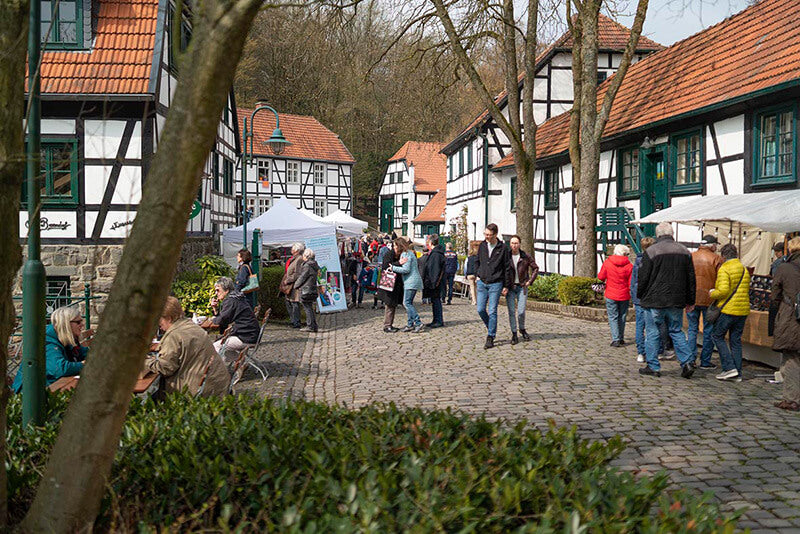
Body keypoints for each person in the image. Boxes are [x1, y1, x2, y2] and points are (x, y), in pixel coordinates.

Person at [637, 222, 697, 378]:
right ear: (672, 234)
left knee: (652, 332)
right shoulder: (684, 251)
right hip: (676, 300)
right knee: (676, 331)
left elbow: (643, 277)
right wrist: (691, 300)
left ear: (658, 235)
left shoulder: (651, 251)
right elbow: (691, 278)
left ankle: (653, 366)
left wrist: (640, 295)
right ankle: (687, 362)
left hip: (654, 300)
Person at [145, 296, 229, 398]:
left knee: (151, 399)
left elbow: (166, 368)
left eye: (159, 319)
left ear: (169, 318)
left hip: (196, 392)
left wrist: (144, 362)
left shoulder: (174, 335)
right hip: (214, 385)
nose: (158, 323)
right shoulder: (191, 325)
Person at [11, 306, 88, 392]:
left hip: (52, 385)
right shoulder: (47, 342)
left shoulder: (67, 338)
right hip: (31, 394)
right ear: (66, 323)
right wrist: (84, 364)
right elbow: (59, 369)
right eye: (78, 322)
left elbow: (84, 353)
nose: (82, 324)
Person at [711, 243, 751, 382]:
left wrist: (712, 293)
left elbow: (723, 291)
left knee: (717, 336)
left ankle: (729, 368)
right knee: (735, 341)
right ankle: (737, 373)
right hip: (743, 310)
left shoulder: (725, 268)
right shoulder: (744, 269)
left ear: (723, 256)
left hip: (728, 309)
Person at [772, 237, 800, 411]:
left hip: (792, 318)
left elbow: (774, 294)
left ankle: (791, 399)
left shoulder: (785, 267)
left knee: (791, 359)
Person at [687, 235, 723, 369]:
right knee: (709, 331)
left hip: (692, 298)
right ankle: (705, 361)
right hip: (710, 299)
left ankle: (691, 359)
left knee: (692, 330)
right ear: (711, 245)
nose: (716, 247)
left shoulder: (691, 256)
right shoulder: (716, 259)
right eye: (715, 245)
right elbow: (721, 280)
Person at [476, 223, 512, 349]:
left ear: (495, 235)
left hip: (496, 283)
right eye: (485, 234)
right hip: (482, 282)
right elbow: (477, 260)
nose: (487, 237)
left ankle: (490, 336)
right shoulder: (482, 245)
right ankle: (491, 326)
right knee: (480, 309)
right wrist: (477, 274)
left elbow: (507, 267)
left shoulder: (503, 248)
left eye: (490, 235)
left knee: (492, 311)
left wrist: (506, 285)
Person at [211, 277, 260, 360]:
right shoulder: (237, 297)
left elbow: (221, 321)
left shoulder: (231, 301)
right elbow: (224, 319)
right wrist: (215, 309)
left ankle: (223, 369)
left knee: (215, 346)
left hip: (246, 336)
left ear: (226, 290)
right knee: (220, 343)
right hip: (250, 333)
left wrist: (212, 319)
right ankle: (240, 361)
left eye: (218, 290)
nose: (216, 293)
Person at [631, 237, 661, 363]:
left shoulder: (637, 261)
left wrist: (634, 297)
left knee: (640, 325)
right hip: (651, 297)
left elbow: (634, 282)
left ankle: (641, 352)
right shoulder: (656, 260)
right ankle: (654, 351)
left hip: (639, 297)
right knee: (654, 325)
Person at [598, 244, 633, 347]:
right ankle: (621, 337)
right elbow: (631, 282)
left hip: (611, 294)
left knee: (613, 316)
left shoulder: (608, 263)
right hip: (624, 294)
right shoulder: (629, 266)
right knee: (622, 316)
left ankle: (616, 339)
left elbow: (601, 277)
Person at [506, 235, 538, 345]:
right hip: (510, 287)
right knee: (511, 311)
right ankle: (514, 333)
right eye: (512, 243)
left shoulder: (525, 256)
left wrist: (530, 281)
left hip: (522, 286)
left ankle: (522, 329)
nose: (514, 245)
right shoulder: (506, 256)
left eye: (516, 243)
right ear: (510, 244)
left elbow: (535, 268)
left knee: (521, 311)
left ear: (519, 244)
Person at [391, 237, 424, 332]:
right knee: (408, 302)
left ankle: (418, 322)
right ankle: (410, 324)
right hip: (412, 281)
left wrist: (393, 268)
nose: (394, 247)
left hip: (411, 282)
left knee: (406, 303)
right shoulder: (409, 253)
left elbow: (406, 269)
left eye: (395, 245)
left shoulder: (405, 254)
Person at [377, 240, 405, 332]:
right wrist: (399, 263)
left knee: (392, 305)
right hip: (389, 284)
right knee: (389, 305)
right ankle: (387, 326)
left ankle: (390, 324)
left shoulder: (399, 255)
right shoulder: (389, 255)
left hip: (396, 284)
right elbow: (386, 267)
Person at [294, 248, 320, 332]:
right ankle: (313, 325)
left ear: (306, 256)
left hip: (306, 289)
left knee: (307, 307)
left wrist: (296, 285)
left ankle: (310, 326)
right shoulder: (314, 264)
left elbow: (303, 277)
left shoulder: (307, 265)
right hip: (312, 288)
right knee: (309, 307)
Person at [423, 234, 446, 328]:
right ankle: (436, 319)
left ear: (431, 243)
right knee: (435, 301)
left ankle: (438, 320)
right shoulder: (436, 253)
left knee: (436, 301)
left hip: (435, 282)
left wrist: (433, 282)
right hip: (434, 281)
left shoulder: (436, 254)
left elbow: (435, 270)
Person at [280, 243, 305, 328]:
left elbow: (297, 273)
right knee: (289, 302)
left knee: (294, 304)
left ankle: (296, 322)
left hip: (294, 285)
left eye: (293, 248)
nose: (291, 250)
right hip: (290, 285)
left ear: (296, 250)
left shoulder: (299, 259)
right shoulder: (294, 259)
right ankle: (293, 320)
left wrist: (288, 280)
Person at [464, 241, 480, 305]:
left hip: (470, 274)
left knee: (472, 288)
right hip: (477, 274)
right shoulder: (478, 258)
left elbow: (465, 267)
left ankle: (474, 301)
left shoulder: (468, 258)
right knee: (477, 288)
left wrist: (465, 274)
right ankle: (478, 300)